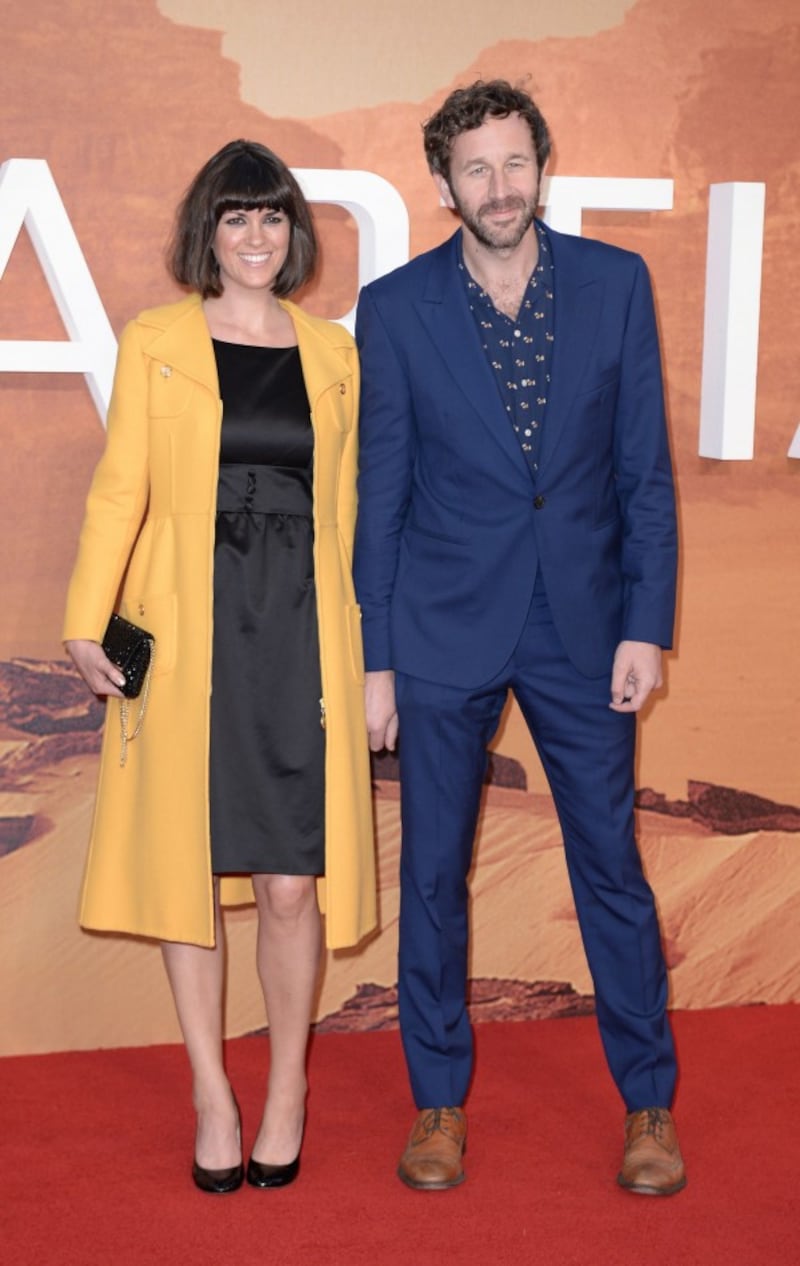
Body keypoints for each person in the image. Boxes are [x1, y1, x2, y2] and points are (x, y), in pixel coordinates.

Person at [353, 80, 684, 1196]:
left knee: (609, 868)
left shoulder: (613, 285)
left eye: (514, 163)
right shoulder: (395, 309)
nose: (498, 188)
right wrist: (376, 661)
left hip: (584, 631)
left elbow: (642, 473)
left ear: (542, 166)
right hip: (443, 628)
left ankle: (648, 1105)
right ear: (443, 182)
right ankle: (436, 1103)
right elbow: (380, 497)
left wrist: (645, 626)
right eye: (474, 169)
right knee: (435, 879)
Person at [64, 139, 375, 1194]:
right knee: (184, 873)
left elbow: (351, 512)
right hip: (191, 629)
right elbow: (120, 493)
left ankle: (286, 1085)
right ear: (208, 230)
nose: (255, 235)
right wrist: (84, 620)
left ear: (294, 233)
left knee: (293, 884)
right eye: (236, 217)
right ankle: (212, 1092)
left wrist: (373, 654)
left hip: (299, 635)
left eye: (272, 216)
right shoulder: (154, 339)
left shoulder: (331, 353)